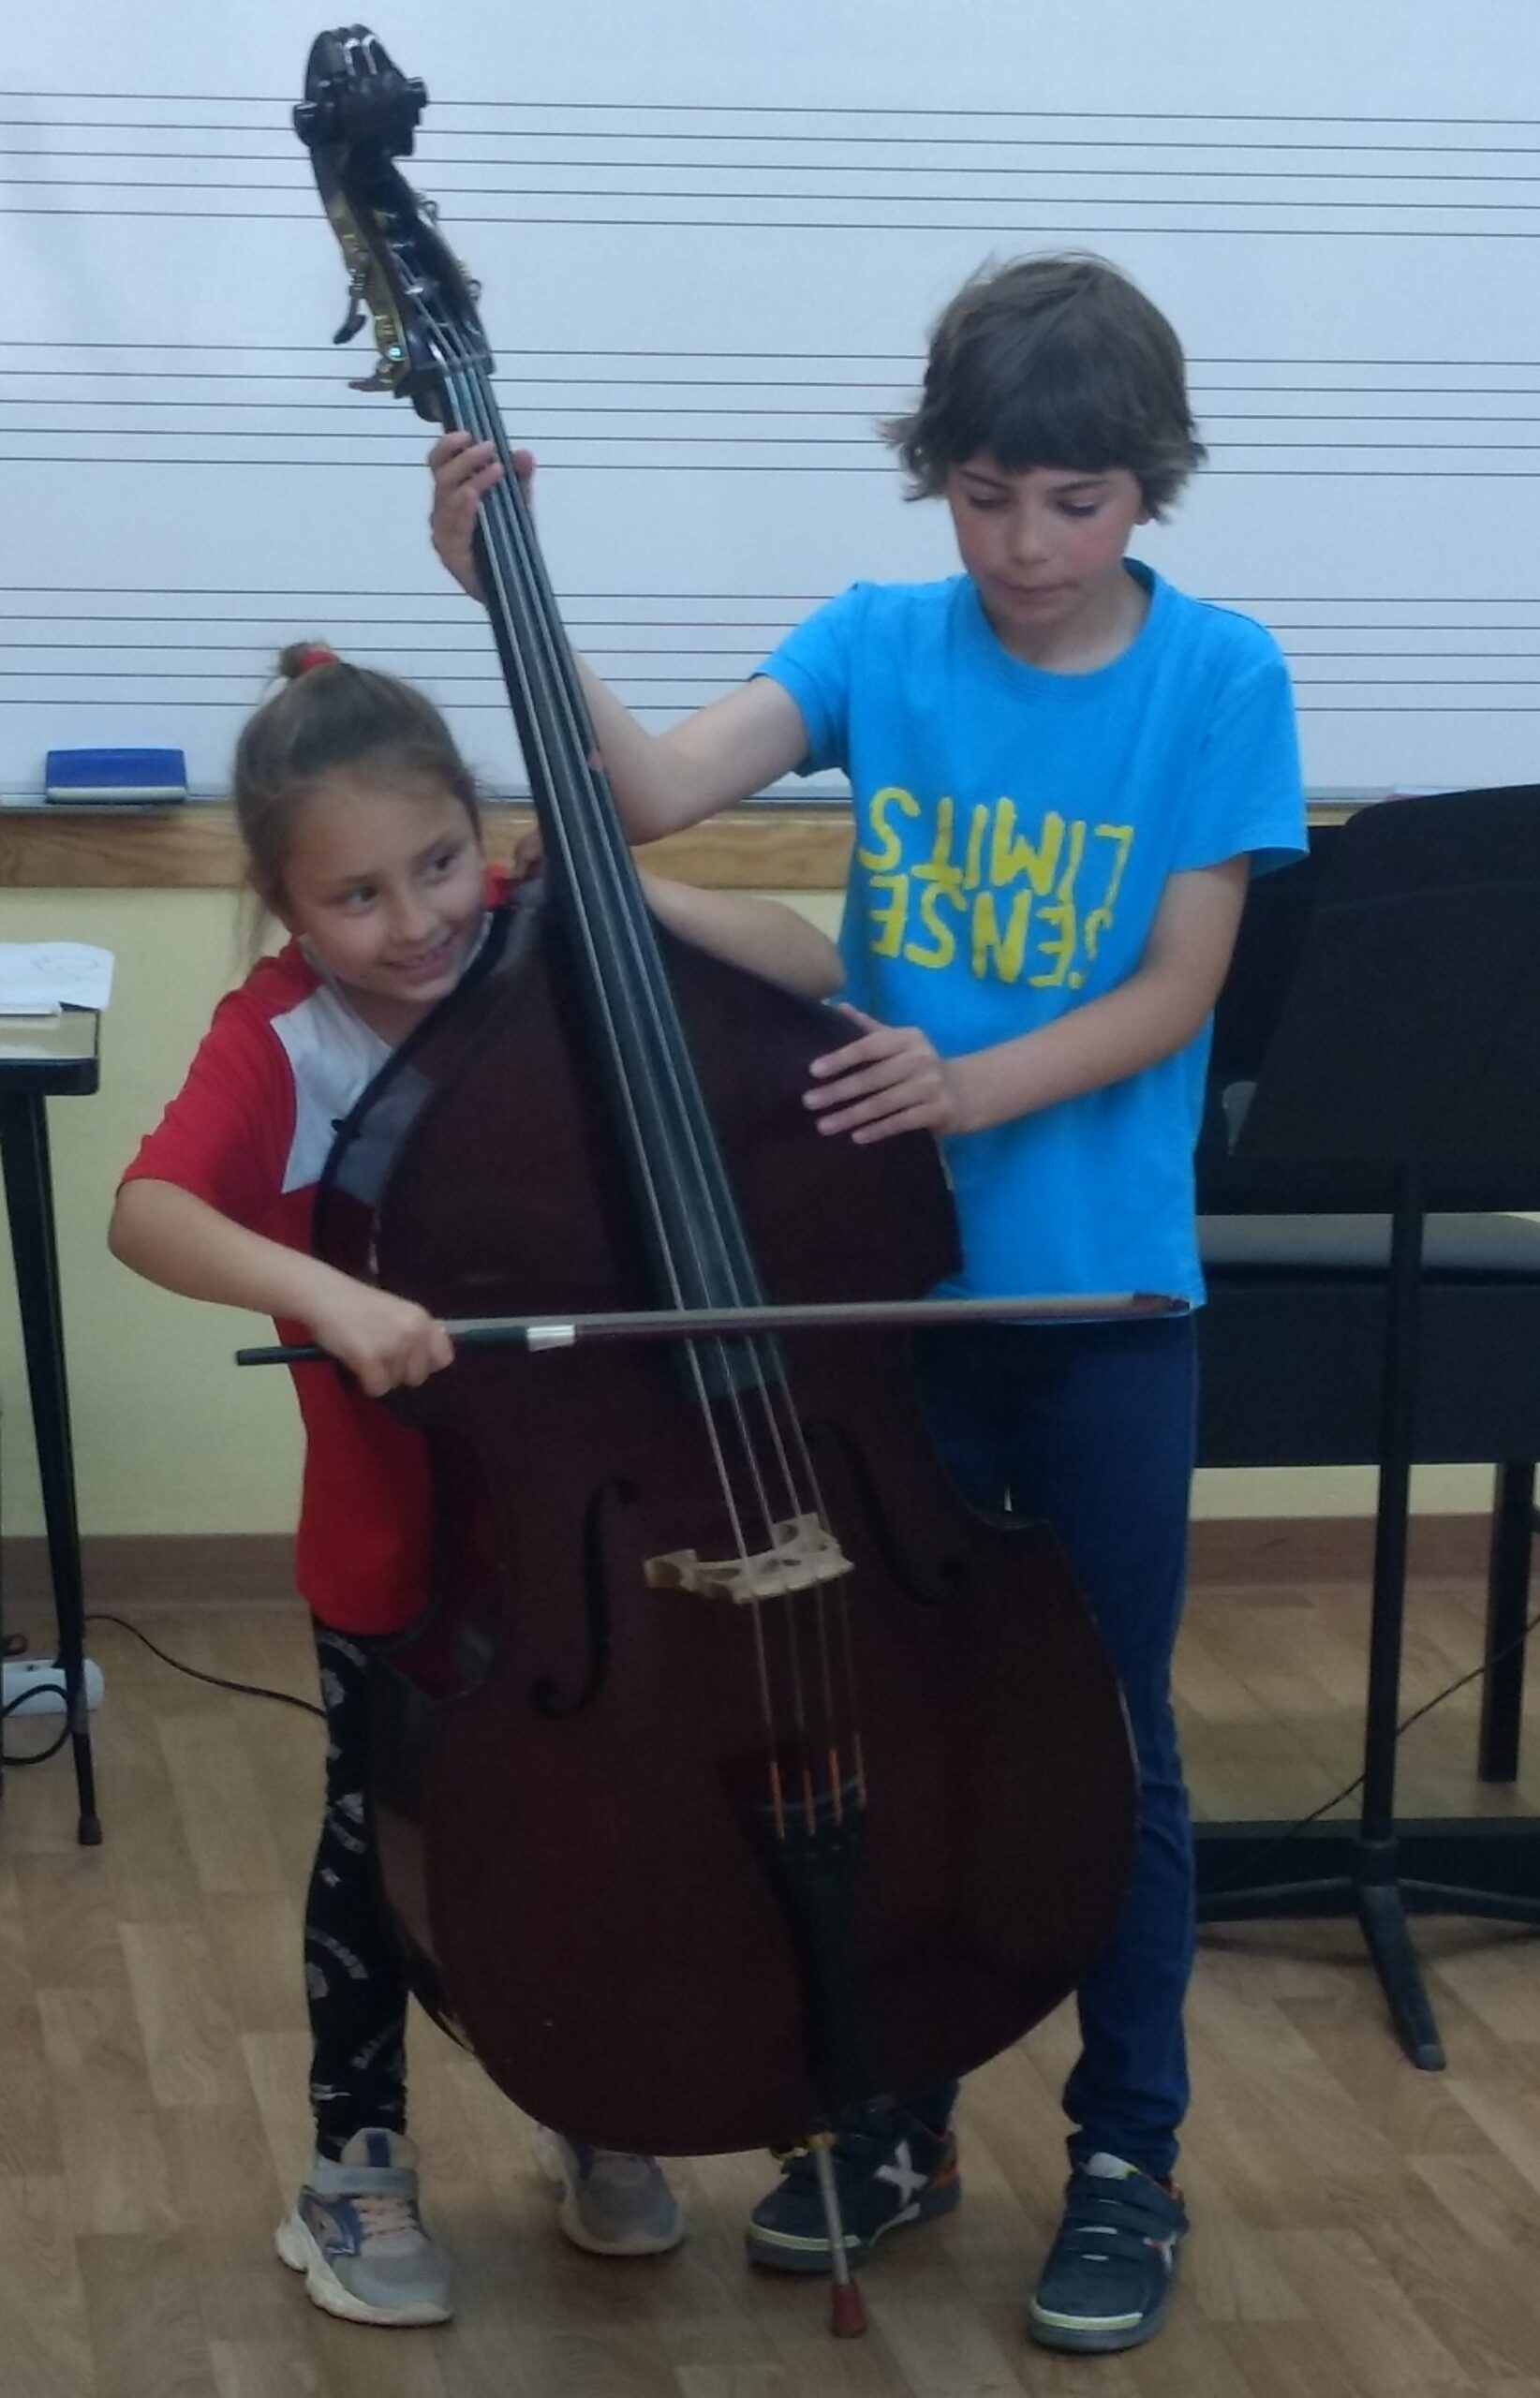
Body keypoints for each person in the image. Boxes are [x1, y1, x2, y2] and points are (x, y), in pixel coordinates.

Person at [427, 250, 1307, 2354]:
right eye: (987, 496)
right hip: (881, 1316)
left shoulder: (1221, 678)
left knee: (1117, 1742)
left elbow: (1179, 987)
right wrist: (501, 588)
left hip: (1097, 1304)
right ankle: (900, 2117)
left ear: (1149, 489)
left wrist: (968, 1083)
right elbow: (650, 791)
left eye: (1074, 502)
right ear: (941, 478)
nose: (1025, 544)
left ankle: (1129, 2153)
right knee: (894, 1715)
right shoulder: (880, 640)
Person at [108, 642, 843, 2330]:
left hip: (612, 1532)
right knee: (380, 1848)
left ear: (480, 831)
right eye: (355, 896)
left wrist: (616, 898)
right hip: (408, 1546)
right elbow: (149, 1212)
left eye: (438, 864)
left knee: (616, 1826)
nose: (415, 921)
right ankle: (352, 2164)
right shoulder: (282, 1038)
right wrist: (326, 1292)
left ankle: (601, 2097)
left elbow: (808, 969)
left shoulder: (541, 938)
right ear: (284, 907)